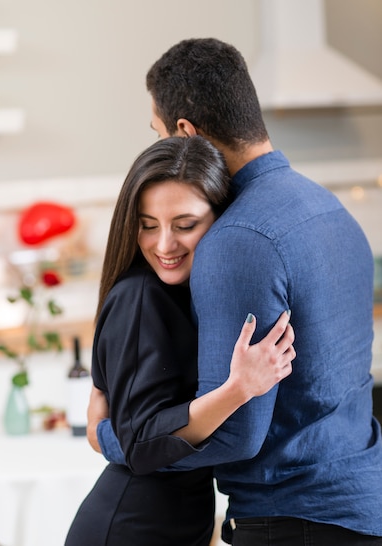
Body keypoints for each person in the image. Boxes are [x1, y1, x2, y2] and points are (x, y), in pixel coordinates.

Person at [97, 38, 382, 545]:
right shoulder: (329, 208)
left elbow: (237, 433)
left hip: (295, 520)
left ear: (186, 133)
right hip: (363, 502)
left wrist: (111, 438)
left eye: (159, 132)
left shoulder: (236, 241)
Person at [65, 136, 295, 546]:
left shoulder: (187, 291)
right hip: (132, 527)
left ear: (220, 218)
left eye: (185, 225)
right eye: (147, 225)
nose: (164, 245)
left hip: (173, 523)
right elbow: (143, 443)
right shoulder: (141, 295)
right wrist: (240, 389)